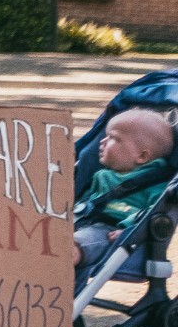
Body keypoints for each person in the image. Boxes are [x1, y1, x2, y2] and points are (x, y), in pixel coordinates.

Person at [73, 108, 176, 279]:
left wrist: (132, 229)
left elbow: (155, 213)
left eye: (113, 138)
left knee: (84, 240)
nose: (102, 142)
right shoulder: (103, 175)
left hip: (113, 236)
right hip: (84, 222)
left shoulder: (157, 184)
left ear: (142, 156)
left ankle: (66, 254)